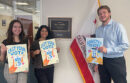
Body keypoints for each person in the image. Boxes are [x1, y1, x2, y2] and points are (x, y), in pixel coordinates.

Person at [95, 5, 129, 83]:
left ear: (109, 13)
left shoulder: (118, 27)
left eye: (104, 12)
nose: (102, 15)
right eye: (100, 14)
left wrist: (107, 50)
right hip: (102, 62)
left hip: (116, 61)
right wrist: (97, 63)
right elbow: (98, 47)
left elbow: (125, 45)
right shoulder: (98, 30)